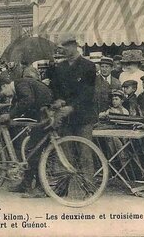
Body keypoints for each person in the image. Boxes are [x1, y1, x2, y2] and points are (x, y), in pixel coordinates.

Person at [0, 75, 54, 198]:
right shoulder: (21, 86)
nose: (7, 96)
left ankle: (38, 188)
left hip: (44, 115)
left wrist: (10, 115)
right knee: (33, 150)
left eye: (4, 93)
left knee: (33, 151)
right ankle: (26, 184)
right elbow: (23, 102)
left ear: (4, 86)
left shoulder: (19, 84)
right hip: (44, 114)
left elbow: (28, 100)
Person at [49, 33, 97, 183]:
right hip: (66, 117)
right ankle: (62, 187)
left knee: (85, 152)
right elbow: (55, 88)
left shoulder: (89, 66)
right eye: (61, 47)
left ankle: (89, 186)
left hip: (83, 117)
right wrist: (58, 100)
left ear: (74, 46)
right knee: (65, 152)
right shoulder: (60, 67)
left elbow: (87, 93)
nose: (63, 50)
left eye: (65, 47)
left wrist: (72, 107)